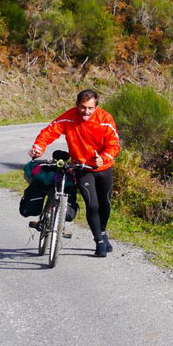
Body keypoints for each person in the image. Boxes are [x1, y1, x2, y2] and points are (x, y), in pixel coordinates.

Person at [29, 89, 120, 257]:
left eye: (90, 108)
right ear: (77, 105)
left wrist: (105, 158)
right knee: (92, 204)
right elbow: (49, 132)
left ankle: (103, 231)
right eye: (83, 107)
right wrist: (38, 148)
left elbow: (114, 144)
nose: (86, 112)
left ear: (96, 107)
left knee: (105, 204)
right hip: (82, 168)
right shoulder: (69, 117)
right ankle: (98, 241)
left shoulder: (105, 119)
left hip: (103, 168)